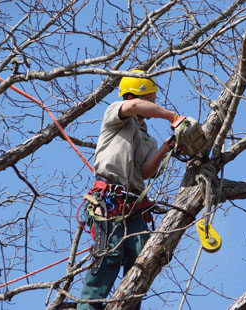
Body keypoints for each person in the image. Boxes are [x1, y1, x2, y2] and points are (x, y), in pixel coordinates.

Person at [77, 70, 181, 310]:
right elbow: (133, 105)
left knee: (142, 261)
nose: (153, 104)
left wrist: (166, 147)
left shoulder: (147, 137)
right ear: (138, 94)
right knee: (108, 258)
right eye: (151, 99)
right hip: (109, 200)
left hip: (133, 206)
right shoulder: (117, 113)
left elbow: (145, 172)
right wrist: (172, 116)